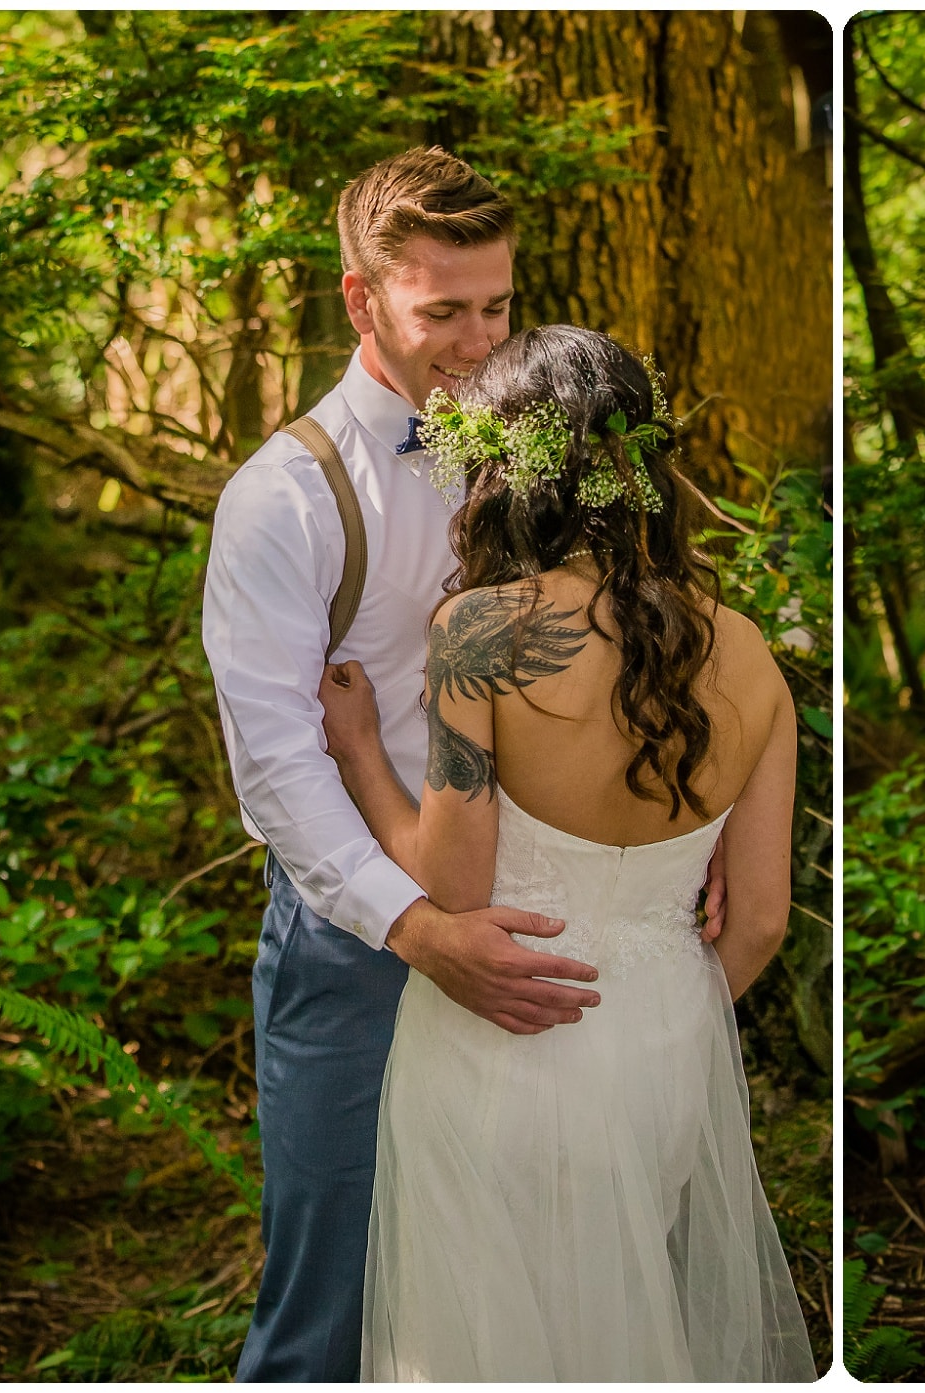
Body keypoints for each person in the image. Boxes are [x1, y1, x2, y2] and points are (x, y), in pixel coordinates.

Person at [205, 148, 721, 1383]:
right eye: (443, 312)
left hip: (559, 929)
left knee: (541, 1286)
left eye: (496, 306)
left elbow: (647, 647)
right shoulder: (283, 499)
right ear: (359, 299)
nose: (478, 340)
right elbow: (277, 771)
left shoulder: (558, 439)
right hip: (357, 940)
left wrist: (677, 845)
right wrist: (415, 928)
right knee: (330, 1291)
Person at [316, 325, 815, 1380]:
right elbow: (761, 917)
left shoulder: (480, 631)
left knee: (493, 1342)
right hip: (664, 1045)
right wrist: (654, 1001)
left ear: (508, 470)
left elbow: (449, 888)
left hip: (503, 1037)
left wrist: (360, 756)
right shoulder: (744, 647)